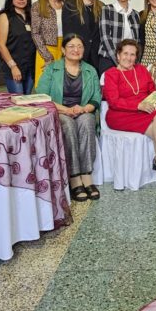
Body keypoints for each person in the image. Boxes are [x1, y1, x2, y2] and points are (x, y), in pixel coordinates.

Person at [103, 39, 156, 193]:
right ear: (118, 55)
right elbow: (113, 101)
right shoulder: (110, 74)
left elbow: (152, 91)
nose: (129, 58)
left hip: (144, 111)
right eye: (125, 54)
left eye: (132, 54)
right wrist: (138, 105)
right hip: (120, 114)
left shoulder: (142, 70)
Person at [35, 33, 101, 201]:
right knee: (68, 126)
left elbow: (96, 97)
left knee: (87, 122)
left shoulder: (90, 70)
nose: (76, 50)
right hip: (59, 111)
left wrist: (86, 108)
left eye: (79, 46)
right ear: (63, 50)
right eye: (71, 46)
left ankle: (86, 175)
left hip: (82, 111)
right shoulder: (52, 69)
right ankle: (74, 177)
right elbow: (41, 96)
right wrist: (65, 109)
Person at [0, 0, 36, 94]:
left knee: (27, 99)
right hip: (14, 65)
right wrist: (13, 66)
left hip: (31, 66)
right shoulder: (5, 16)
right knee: (18, 101)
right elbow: (1, 44)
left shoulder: (32, 16)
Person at [98, 0, 140, 76]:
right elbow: (105, 37)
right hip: (109, 59)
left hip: (129, 61)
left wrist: (132, 60)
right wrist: (118, 60)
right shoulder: (106, 9)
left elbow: (137, 40)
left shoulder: (135, 14)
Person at [63, 0, 104, 71]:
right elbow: (67, 32)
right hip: (77, 53)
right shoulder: (70, 4)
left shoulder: (101, 6)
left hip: (96, 55)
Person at [31, 0, 65, 86]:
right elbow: (35, 33)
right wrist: (47, 56)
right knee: (45, 86)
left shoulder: (67, 5)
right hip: (46, 50)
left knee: (62, 86)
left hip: (65, 50)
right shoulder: (38, 6)